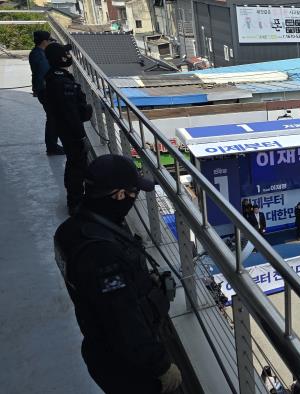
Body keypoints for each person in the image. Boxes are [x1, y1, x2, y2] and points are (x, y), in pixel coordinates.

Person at [54, 154, 182, 394]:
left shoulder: (72, 229)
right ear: (119, 195)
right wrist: (161, 366)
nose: (135, 198)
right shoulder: (101, 253)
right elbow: (123, 321)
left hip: (101, 349)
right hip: (128, 368)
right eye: (134, 192)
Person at [44, 42, 92, 215]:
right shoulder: (60, 82)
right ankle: (75, 203)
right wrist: (81, 137)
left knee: (75, 164)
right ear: (60, 58)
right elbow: (70, 113)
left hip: (66, 129)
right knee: (76, 166)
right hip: (71, 132)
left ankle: (76, 198)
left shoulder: (54, 77)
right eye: (65, 54)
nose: (68, 56)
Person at [29, 30, 64, 156]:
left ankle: (52, 146)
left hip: (42, 90)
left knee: (52, 117)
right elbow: (45, 75)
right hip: (46, 91)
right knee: (53, 118)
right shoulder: (40, 56)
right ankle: (52, 147)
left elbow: (36, 74)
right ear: (44, 42)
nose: (51, 42)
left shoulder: (35, 53)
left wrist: (35, 89)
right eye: (50, 40)